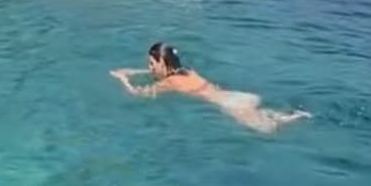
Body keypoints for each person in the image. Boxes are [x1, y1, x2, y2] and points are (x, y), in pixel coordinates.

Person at [110, 42, 310, 135]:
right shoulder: (187, 71)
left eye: (152, 64)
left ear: (162, 63)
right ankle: (294, 115)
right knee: (265, 116)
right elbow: (157, 75)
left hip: (230, 104)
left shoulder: (169, 82)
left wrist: (123, 80)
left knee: (268, 130)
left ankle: (294, 118)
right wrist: (134, 72)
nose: (149, 68)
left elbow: (139, 95)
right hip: (237, 96)